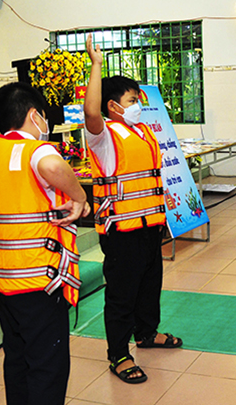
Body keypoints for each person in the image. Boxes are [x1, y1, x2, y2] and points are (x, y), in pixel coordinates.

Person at [0, 82, 91, 404]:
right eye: (45, 116)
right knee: (47, 365)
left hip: (2, 278)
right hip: (37, 280)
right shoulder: (36, 149)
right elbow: (54, 166)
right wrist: (79, 195)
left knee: (17, 358)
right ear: (34, 115)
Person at [84, 35, 182, 385]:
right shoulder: (104, 136)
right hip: (122, 232)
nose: (137, 105)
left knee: (149, 285)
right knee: (122, 294)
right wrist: (96, 64)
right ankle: (118, 354)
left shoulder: (139, 131)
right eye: (131, 100)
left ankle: (146, 333)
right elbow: (91, 112)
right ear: (114, 106)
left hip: (149, 225)